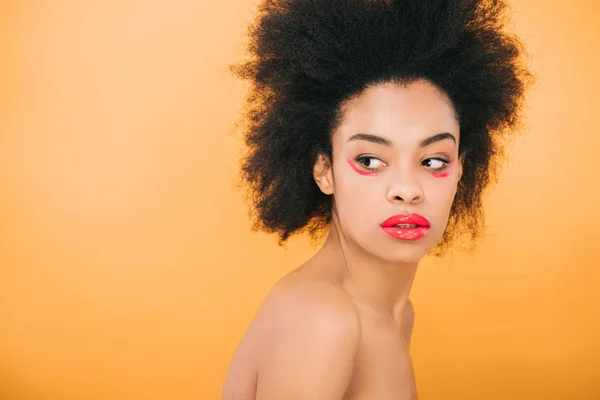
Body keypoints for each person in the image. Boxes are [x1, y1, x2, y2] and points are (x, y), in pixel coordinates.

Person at [223, 0, 533, 398]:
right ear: (324, 171)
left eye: (433, 160)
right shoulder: (322, 320)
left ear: (459, 170)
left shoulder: (396, 316)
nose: (407, 188)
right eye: (370, 160)